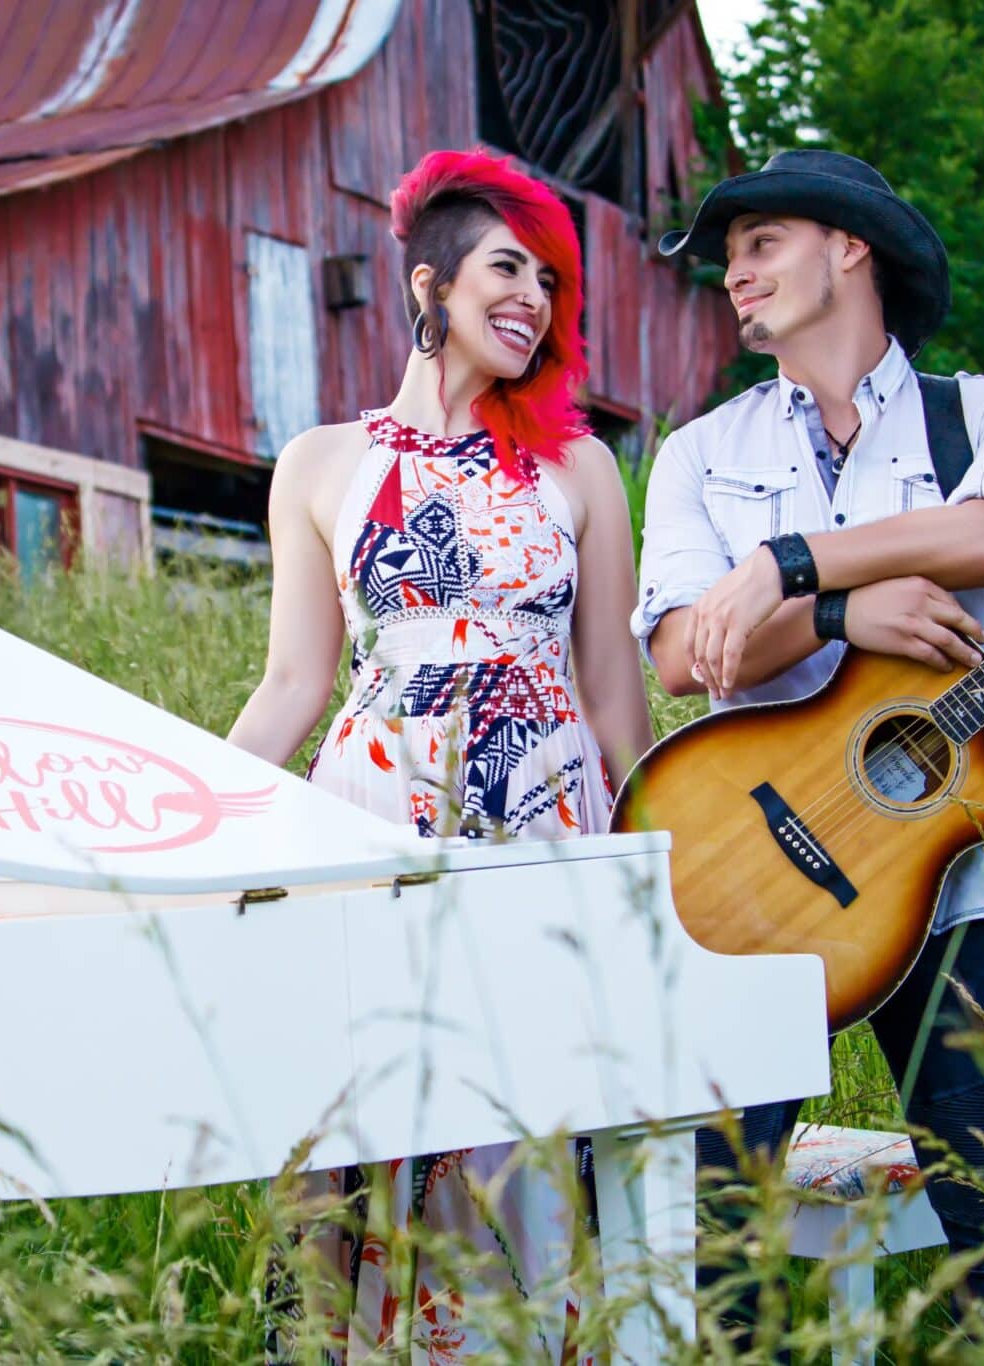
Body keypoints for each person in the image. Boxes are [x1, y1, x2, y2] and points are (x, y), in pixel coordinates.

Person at [229, 148, 654, 1361]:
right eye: (508, 267)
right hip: (368, 816)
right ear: (427, 285)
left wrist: (658, 873)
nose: (534, 300)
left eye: (550, 285)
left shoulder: (579, 468)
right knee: (369, 1116)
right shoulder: (319, 463)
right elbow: (294, 683)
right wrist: (188, 818)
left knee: (528, 1117)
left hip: (546, 819)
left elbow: (616, 703)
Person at [631, 149, 984, 1334]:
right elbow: (678, 654)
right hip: (756, 868)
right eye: (726, 258)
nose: (734, 274)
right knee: (725, 1231)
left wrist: (786, 566)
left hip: (958, 876)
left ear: (849, 246)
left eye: (759, 242)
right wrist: (840, 615)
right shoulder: (699, 451)